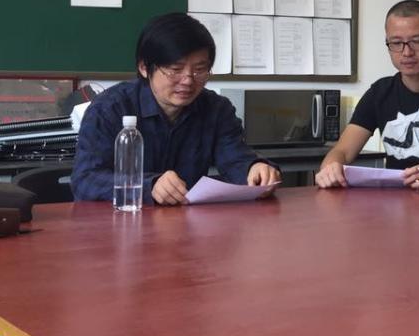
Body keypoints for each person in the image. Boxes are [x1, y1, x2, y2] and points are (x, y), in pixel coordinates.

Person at [72, 13, 279, 205]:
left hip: (188, 225)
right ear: (144, 68)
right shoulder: (110, 109)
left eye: (200, 70)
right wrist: (150, 186)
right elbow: (85, 180)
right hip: (122, 223)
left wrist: (254, 169)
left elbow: (235, 159)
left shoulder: (216, 110)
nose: (188, 80)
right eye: (175, 70)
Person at [316, 0, 419, 188]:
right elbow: (343, 150)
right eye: (396, 43)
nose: (406, 52)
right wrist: (330, 167)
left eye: (417, 41)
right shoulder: (380, 92)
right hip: (396, 197)